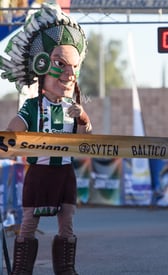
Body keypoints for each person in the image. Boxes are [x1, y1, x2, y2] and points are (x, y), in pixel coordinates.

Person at [0, 3, 91, 274]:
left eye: (73, 67)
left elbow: (84, 139)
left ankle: (65, 269)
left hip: (64, 172)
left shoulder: (73, 107)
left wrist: (83, 117)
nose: (69, 74)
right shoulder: (32, 106)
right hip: (39, 172)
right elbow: (13, 131)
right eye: (61, 65)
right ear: (41, 66)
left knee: (67, 221)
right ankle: (21, 270)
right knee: (28, 222)